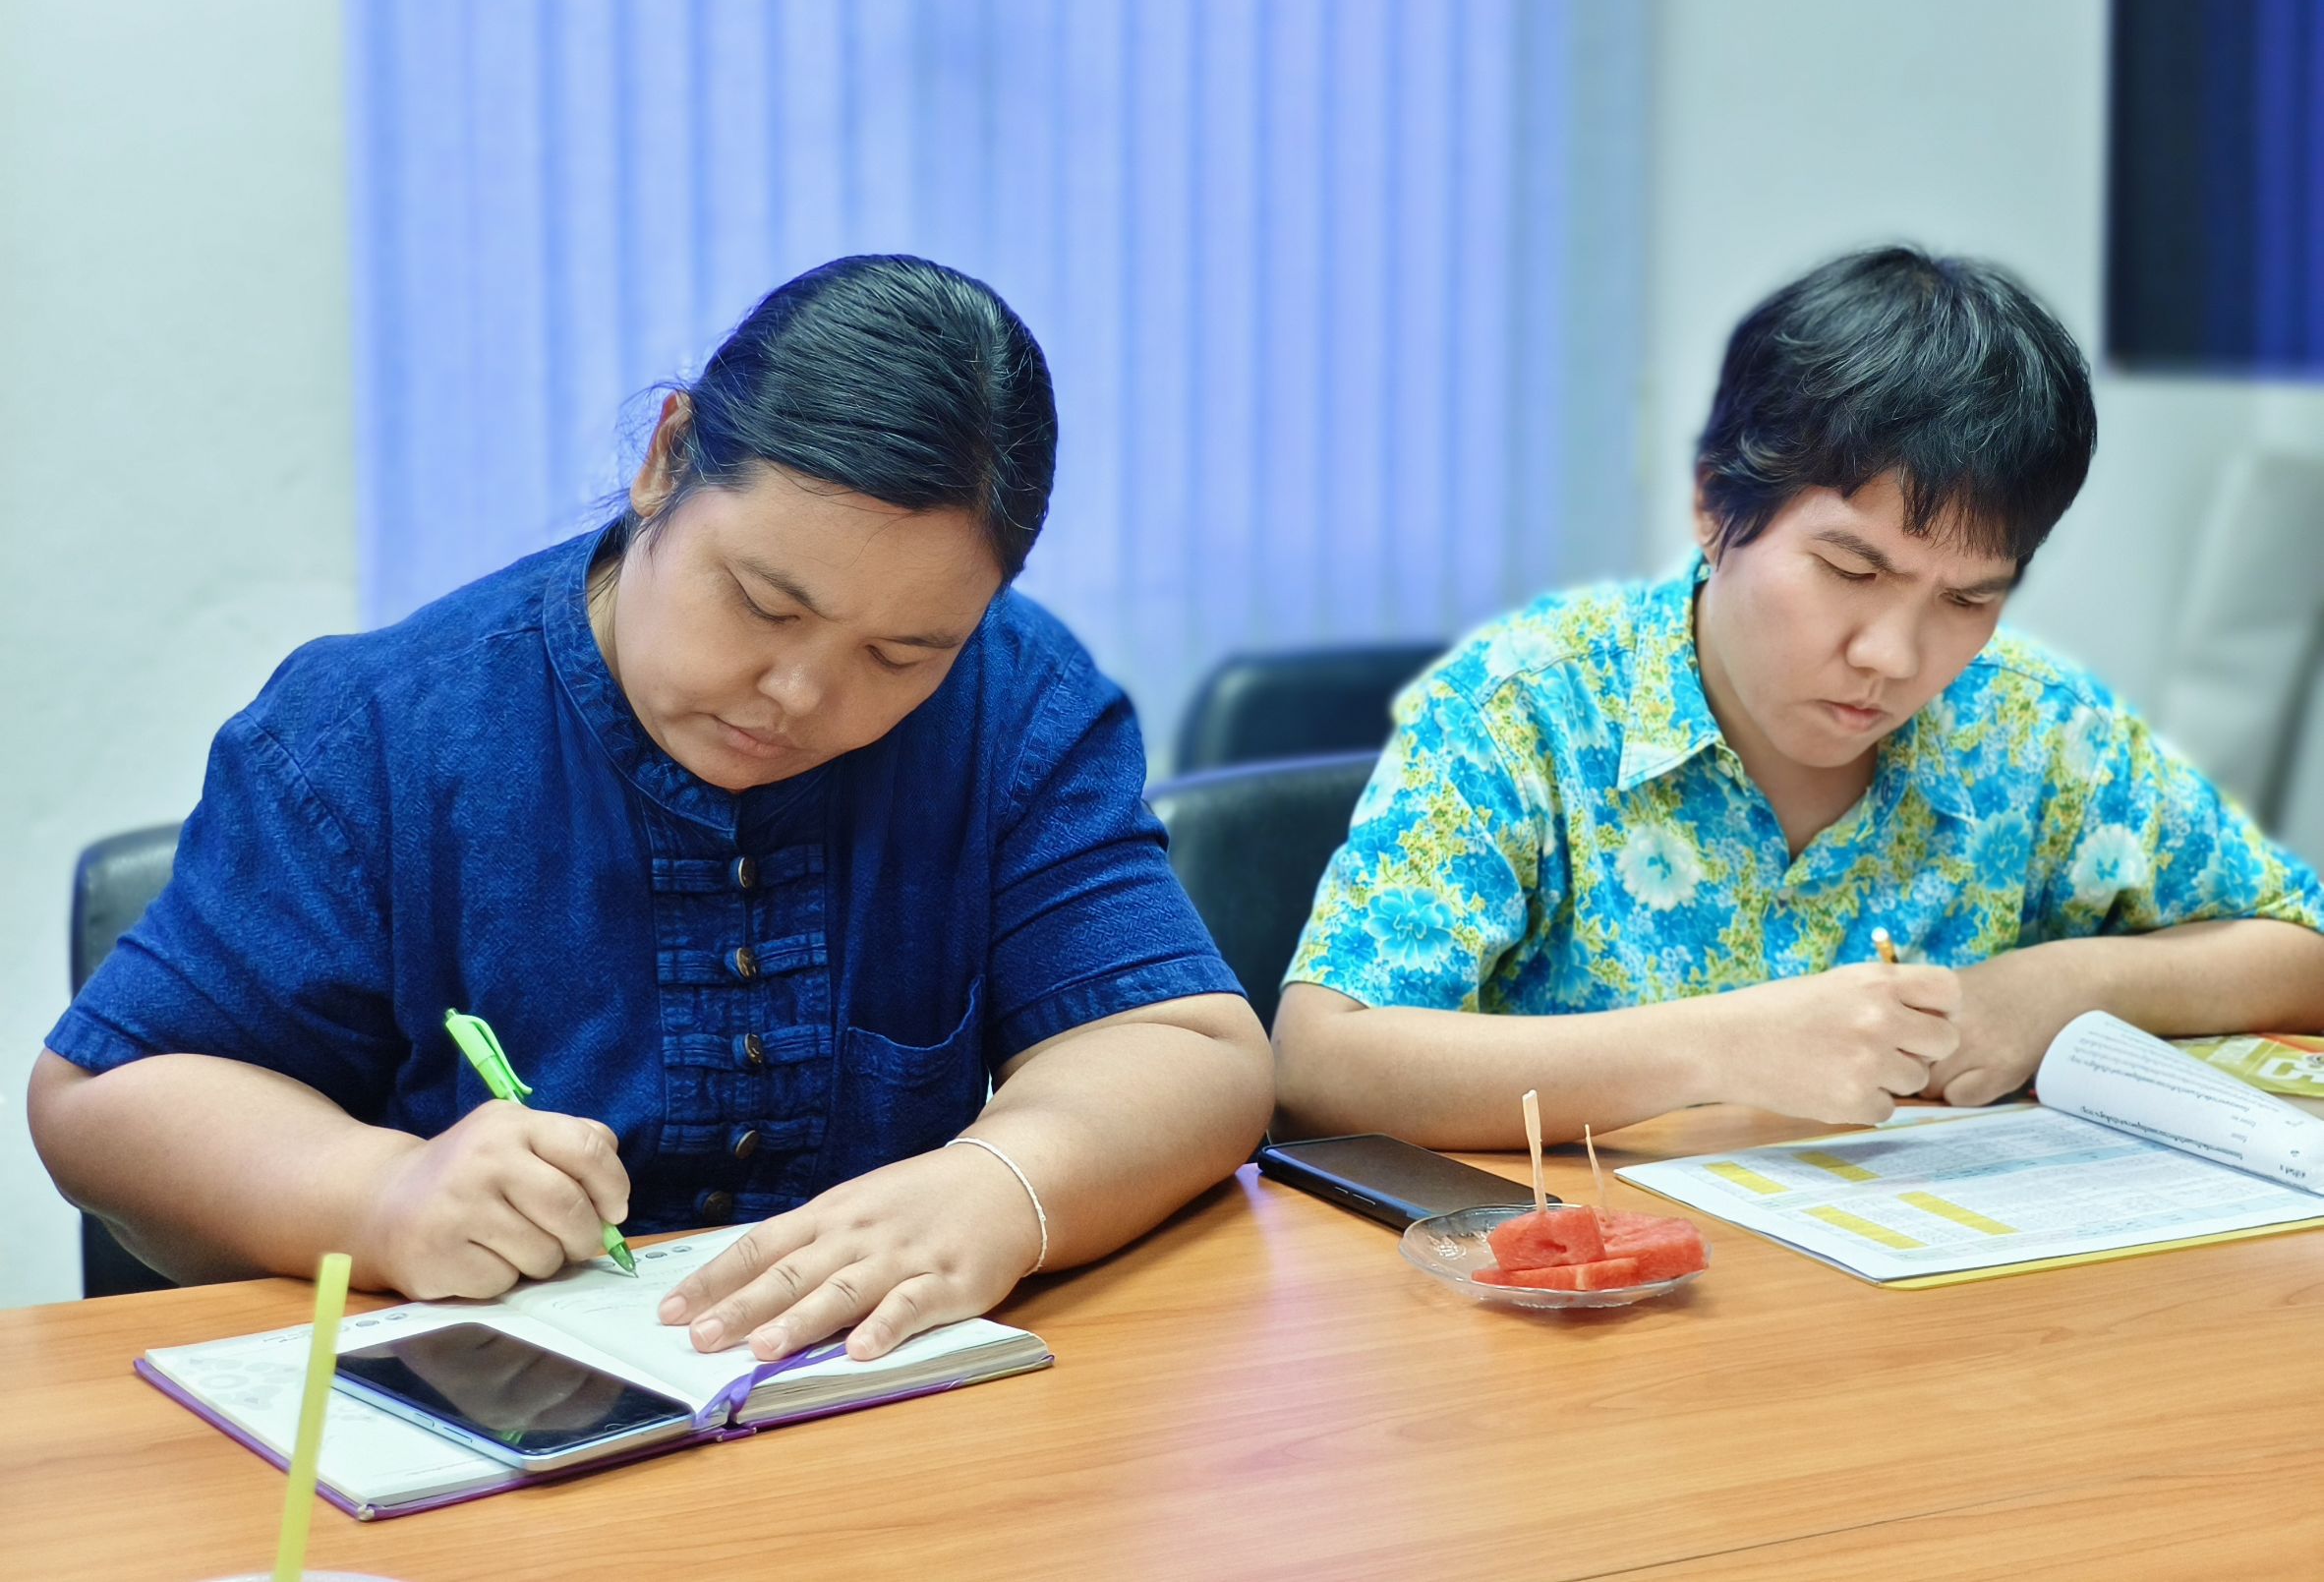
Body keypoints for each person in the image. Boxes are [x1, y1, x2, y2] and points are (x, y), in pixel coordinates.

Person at [30, 255, 1271, 1362]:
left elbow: (1194, 1051)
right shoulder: (378, 731)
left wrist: (1003, 1182)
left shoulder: (1013, 696)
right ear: (667, 459)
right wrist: (384, 1193)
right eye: (763, 604)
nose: (798, 694)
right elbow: (106, 1093)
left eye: (900, 655)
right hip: (487, 1446)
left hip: (876, 1443)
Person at [1272, 246, 2324, 1147]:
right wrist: (1723, 1046)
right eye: (1852, 572)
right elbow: (1324, 1063)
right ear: (1713, 506)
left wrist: (2060, 987)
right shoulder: (1527, 710)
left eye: (1966, 597)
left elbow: (2301, 947)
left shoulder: (2033, 728)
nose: (1893, 655)